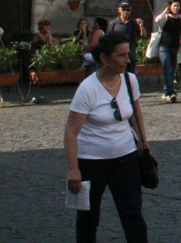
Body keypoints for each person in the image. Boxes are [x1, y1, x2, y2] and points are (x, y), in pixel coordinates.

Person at [64, 31, 149, 242]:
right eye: (121, 55)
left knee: (133, 215)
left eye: (127, 54)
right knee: (88, 218)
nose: (127, 60)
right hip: (91, 162)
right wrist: (73, 169)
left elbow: (136, 114)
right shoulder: (87, 89)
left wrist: (144, 144)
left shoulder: (130, 81)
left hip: (126, 157)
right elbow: (71, 131)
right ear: (104, 58)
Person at [153, 0, 181, 102]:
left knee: (172, 72)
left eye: (178, 5)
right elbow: (157, 20)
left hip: (175, 48)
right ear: (170, 7)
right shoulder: (166, 18)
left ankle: (165, 92)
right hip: (164, 48)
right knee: (168, 69)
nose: (176, 8)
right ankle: (172, 93)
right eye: (174, 6)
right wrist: (165, 11)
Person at [107, 2, 147, 74]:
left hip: (131, 55)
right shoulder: (114, 23)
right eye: (124, 9)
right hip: (118, 55)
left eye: (128, 9)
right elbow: (108, 38)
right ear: (119, 10)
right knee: (119, 75)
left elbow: (144, 35)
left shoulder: (134, 22)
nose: (126, 11)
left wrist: (141, 26)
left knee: (130, 76)